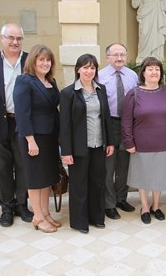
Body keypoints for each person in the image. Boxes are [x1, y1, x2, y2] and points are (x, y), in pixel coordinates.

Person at [0, 23, 33, 227]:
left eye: (18, 38)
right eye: (10, 38)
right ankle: (6, 208)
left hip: (23, 124)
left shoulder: (30, 60)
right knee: (1, 168)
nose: (15, 42)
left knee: (23, 166)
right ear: (1, 38)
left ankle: (22, 205)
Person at [60, 54, 114, 233]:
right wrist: (66, 151)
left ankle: (96, 217)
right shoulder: (68, 93)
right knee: (79, 185)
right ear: (78, 69)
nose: (89, 71)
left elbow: (106, 118)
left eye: (92, 68)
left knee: (97, 182)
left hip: (99, 145)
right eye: (85, 67)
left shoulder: (101, 90)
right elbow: (65, 125)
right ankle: (79, 222)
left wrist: (110, 142)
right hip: (78, 148)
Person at [121, 57, 166, 224]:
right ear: (143, 72)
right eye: (150, 69)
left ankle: (156, 206)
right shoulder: (134, 93)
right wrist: (128, 142)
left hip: (164, 142)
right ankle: (145, 207)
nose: (154, 72)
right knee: (143, 176)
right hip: (141, 144)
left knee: (159, 175)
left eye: (157, 69)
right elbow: (126, 120)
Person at [13, 45, 61, 233]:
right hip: (33, 137)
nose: (45, 63)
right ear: (33, 61)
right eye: (41, 59)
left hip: (49, 136)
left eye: (48, 60)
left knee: (47, 178)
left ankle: (46, 213)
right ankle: (37, 217)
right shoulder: (24, 81)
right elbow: (22, 114)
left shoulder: (51, 81)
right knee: (35, 179)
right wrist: (30, 140)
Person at [98, 43, 139, 220]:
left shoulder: (133, 76)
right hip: (109, 124)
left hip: (128, 125)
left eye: (122, 54)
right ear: (107, 57)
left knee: (124, 166)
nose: (119, 58)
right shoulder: (99, 76)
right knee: (108, 168)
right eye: (115, 55)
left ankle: (121, 198)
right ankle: (109, 203)